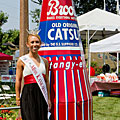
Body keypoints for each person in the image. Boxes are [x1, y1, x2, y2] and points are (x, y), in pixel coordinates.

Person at [15, 30, 51, 120]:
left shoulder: (45, 61)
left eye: (37, 42)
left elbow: (47, 81)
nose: (34, 44)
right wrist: (17, 97)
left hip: (42, 95)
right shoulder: (22, 60)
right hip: (28, 94)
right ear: (27, 44)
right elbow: (18, 80)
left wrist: (49, 98)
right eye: (32, 42)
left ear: (40, 44)